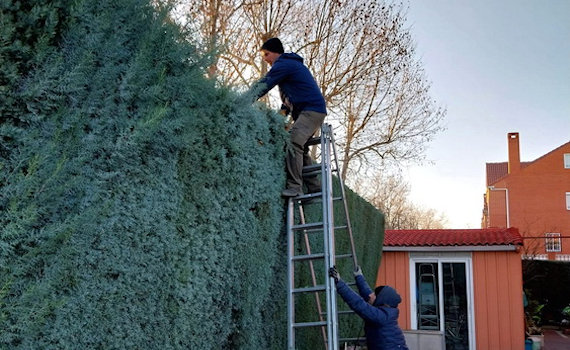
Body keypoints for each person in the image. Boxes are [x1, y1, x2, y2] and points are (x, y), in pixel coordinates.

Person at [249, 38, 327, 197]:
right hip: (311, 111)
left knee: (293, 143)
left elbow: (265, 84)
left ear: (275, 52)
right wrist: (279, 121)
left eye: (266, 54)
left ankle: (295, 187)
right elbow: (286, 104)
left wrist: (243, 100)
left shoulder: (284, 64)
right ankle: (314, 186)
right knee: (302, 148)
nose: (265, 59)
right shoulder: (289, 69)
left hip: (311, 110)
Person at [329, 266, 409, 350]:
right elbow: (369, 296)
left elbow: (359, 305)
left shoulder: (382, 317)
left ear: (382, 300)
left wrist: (340, 283)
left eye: (374, 294)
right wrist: (359, 276)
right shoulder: (385, 312)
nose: (371, 295)